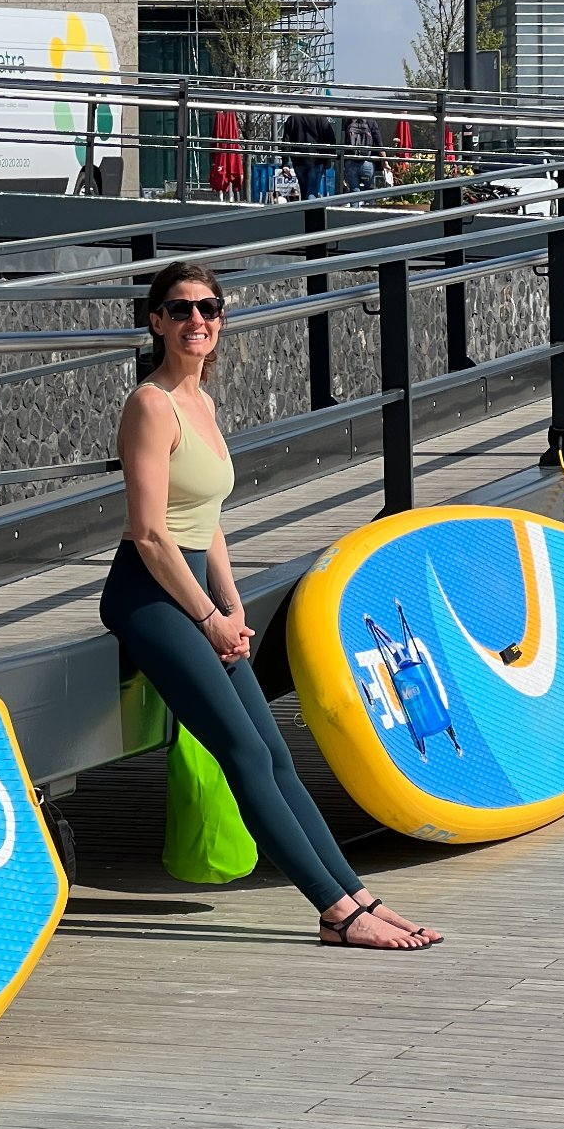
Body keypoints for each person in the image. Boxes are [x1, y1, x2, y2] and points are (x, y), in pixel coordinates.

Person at [99, 260, 442, 950]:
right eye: (181, 309)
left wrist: (233, 607)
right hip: (149, 596)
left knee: (276, 754)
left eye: (210, 307)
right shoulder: (151, 404)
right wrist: (207, 618)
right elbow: (151, 533)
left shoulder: (205, 403)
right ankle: (336, 914)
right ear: (155, 321)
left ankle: (357, 893)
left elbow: (207, 516)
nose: (198, 320)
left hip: (197, 595)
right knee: (244, 754)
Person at [280, 110, 337, 201]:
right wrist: (329, 158)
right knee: (312, 190)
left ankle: (306, 211)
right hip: (317, 159)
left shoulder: (293, 119)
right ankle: (311, 212)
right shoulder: (321, 118)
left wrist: (285, 163)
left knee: (304, 190)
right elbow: (330, 139)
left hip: (299, 160)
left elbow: (286, 142)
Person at [342, 115, 383, 193]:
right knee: (369, 193)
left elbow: (343, 141)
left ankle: (355, 205)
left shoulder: (348, 120)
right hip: (367, 162)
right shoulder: (371, 121)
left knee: (354, 192)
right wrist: (385, 161)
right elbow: (379, 143)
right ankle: (369, 205)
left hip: (351, 161)